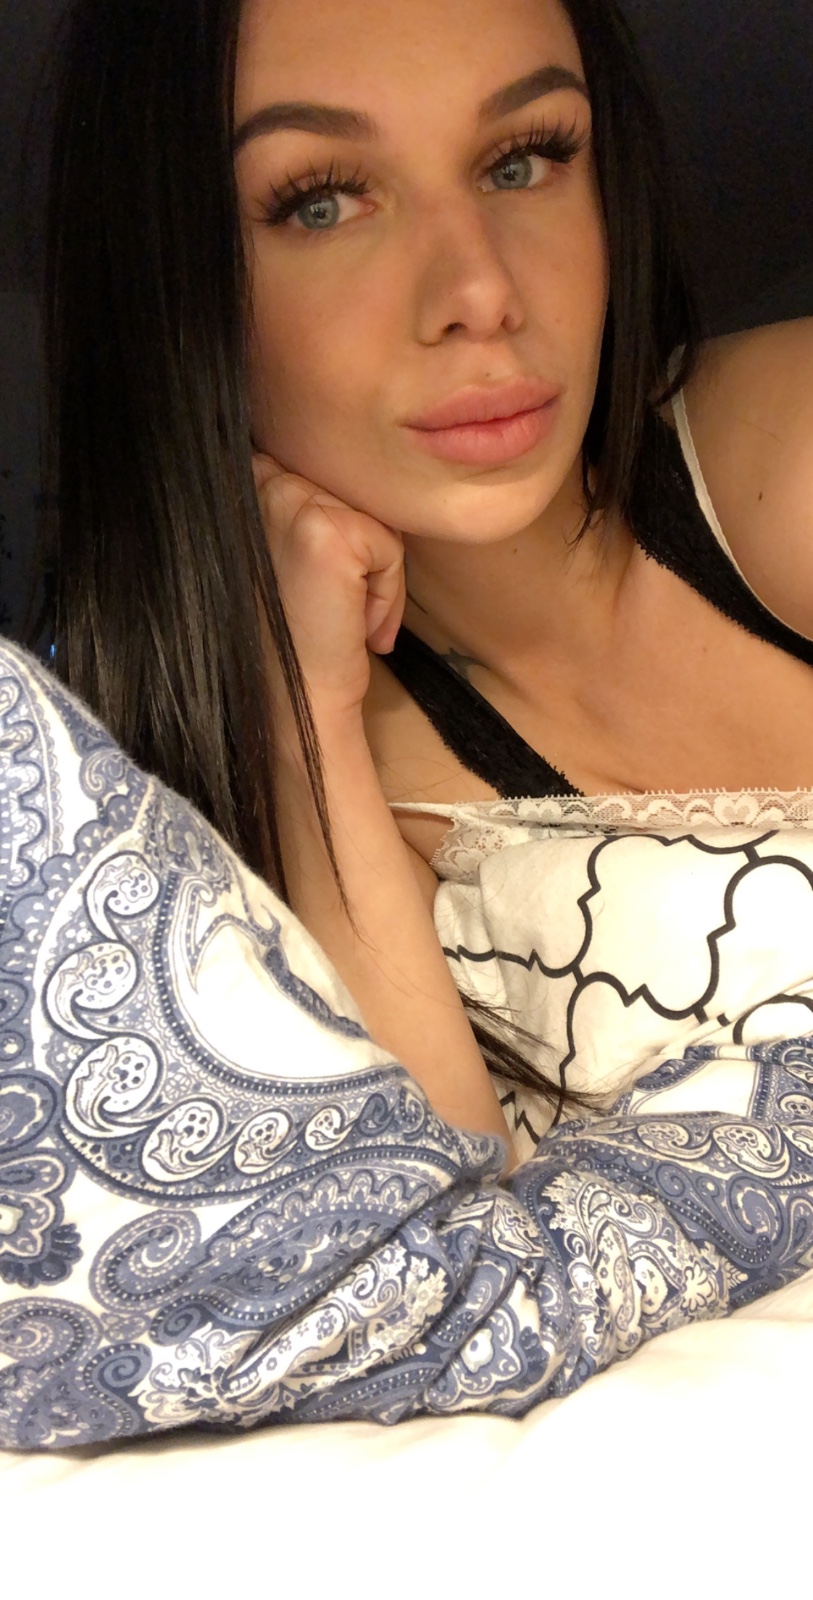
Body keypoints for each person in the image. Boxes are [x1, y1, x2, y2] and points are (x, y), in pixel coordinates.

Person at [2, 0, 811, 1450]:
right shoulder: (225, 782)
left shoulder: (785, 459)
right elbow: (443, 1264)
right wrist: (302, 711)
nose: (479, 292)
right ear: (173, 279)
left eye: (524, 159)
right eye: (321, 201)